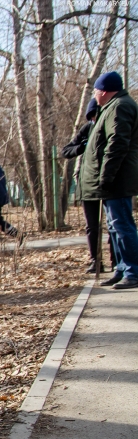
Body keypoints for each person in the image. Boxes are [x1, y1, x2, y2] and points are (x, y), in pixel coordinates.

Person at [79, 71, 138, 289]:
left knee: (122, 225)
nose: (94, 94)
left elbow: (117, 143)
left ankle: (133, 270)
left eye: (96, 90)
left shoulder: (120, 106)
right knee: (115, 226)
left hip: (117, 179)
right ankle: (122, 268)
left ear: (104, 91)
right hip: (113, 180)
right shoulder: (111, 107)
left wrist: (106, 175)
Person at [61, 98, 116, 274]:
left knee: (113, 224)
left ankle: (116, 260)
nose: (94, 119)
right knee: (92, 225)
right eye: (91, 116)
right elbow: (66, 150)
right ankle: (96, 260)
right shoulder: (87, 129)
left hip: (108, 182)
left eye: (96, 115)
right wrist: (81, 148)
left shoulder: (109, 126)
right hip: (88, 184)